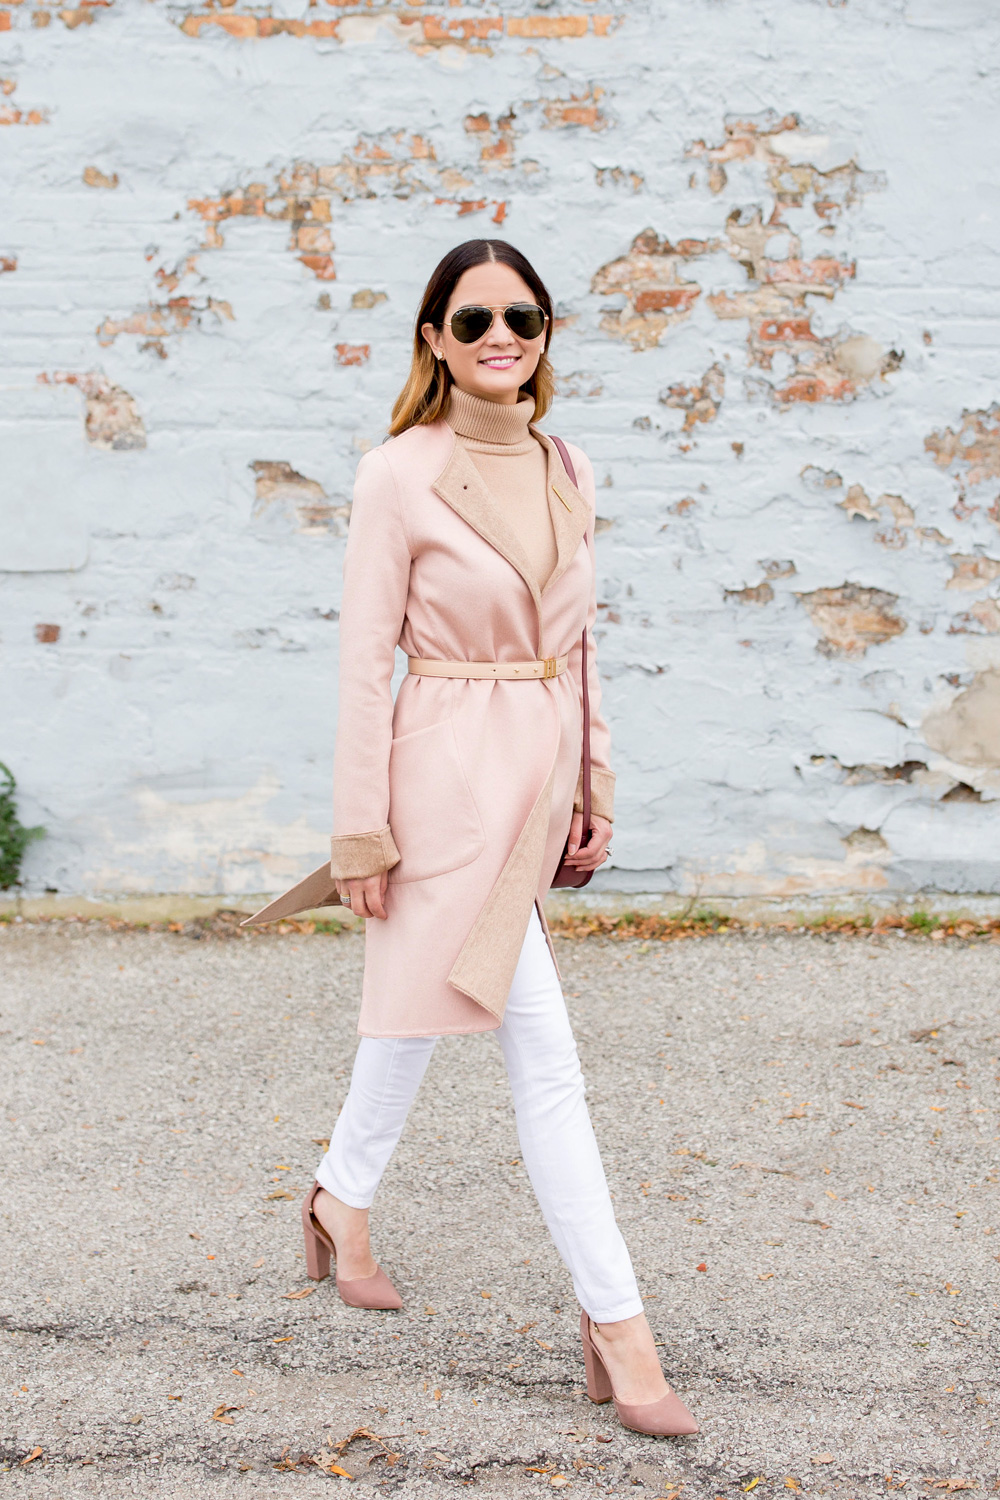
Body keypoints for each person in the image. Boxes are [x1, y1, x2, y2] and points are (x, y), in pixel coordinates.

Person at [250, 238, 697, 1438]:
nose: (503, 334)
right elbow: (360, 665)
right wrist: (359, 831)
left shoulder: (568, 464)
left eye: (525, 316)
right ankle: (619, 1327)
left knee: (419, 1008)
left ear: (544, 334)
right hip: (441, 773)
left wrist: (593, 780)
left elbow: (583, 642)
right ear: (434, 339)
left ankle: (340, 1199)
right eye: (476, 317)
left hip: (538, 773)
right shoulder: (398, 473)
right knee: (538, 1047)